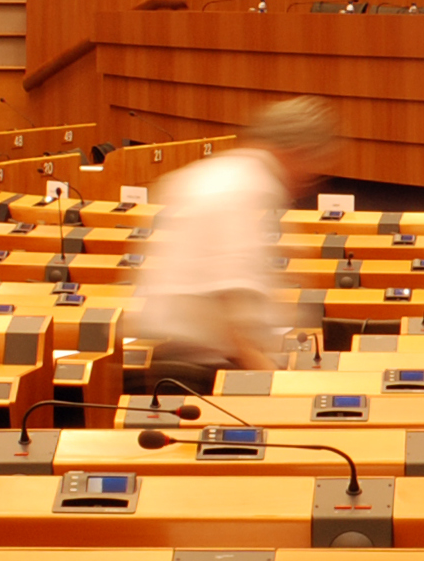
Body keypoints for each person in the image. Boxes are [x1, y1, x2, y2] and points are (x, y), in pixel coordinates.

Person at [129, 96, 342, 404]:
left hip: (177, 355)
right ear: (296, 153)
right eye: (313, 167)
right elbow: (230, 300)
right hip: (208, 372)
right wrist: (279, 388)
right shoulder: (247, 189)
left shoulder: (210, 173)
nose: (310, 181)